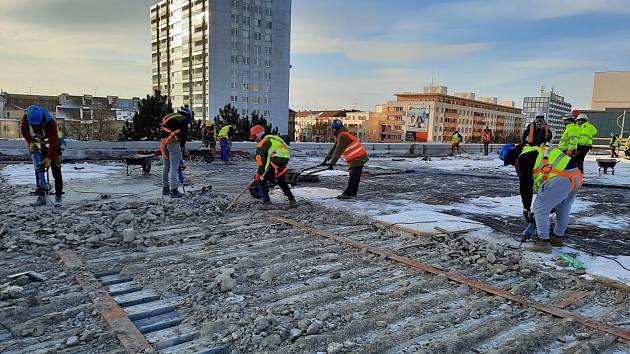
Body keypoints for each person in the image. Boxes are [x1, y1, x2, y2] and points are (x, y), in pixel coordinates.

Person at [499, 143, 583, 253]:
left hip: (559, 178)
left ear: (510, 155)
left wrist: (527, 209)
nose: (511, 165)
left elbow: (525, 186)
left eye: (509, 162)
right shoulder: (534, 150)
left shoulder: (522, 159)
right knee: (563, 209)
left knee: (539, 209)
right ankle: (557, 238)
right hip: (576, 176)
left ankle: (543, 243)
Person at [21, 105, 64, 207]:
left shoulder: (50, 122)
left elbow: (54, 142)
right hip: (39, 145)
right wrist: (30, 142)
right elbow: (24, 131)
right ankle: (41, 196)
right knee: (39, 170)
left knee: (56, 170)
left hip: (53, 145)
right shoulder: (27, 117)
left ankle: (58, 196)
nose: (36, 126)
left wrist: (49, 158)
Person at [250, 125, 297, 210]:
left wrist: (259, 174)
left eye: (255, 137)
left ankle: (266, 203)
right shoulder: (274, 138)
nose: (255, 139)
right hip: (284, 161)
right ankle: (292, 200)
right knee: (281, 181)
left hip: (274, 162)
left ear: (259, 134)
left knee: (260, 181)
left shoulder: (261, 145)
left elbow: (262, 163)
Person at [322, 119, 369, 199]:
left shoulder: (343, 136)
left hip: (357, 158)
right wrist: (326, 160)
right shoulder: (341, 135)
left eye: (333, 128)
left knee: (353, 176)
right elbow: (334, 148)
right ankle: (352, 194)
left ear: (337, 129)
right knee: (355, 176)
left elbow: (338, 151)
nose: (332, 130)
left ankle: (348, 194)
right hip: (357, 157)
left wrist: (332, 163)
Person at [160, 106, 192, 198]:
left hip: (163, 143)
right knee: (174, 167)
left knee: (166, 166)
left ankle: (165, 189)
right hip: (173, 143)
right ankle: (173, 191)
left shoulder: (172, 116)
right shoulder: (183, 120)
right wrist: (182, 147)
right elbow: (184, 136)